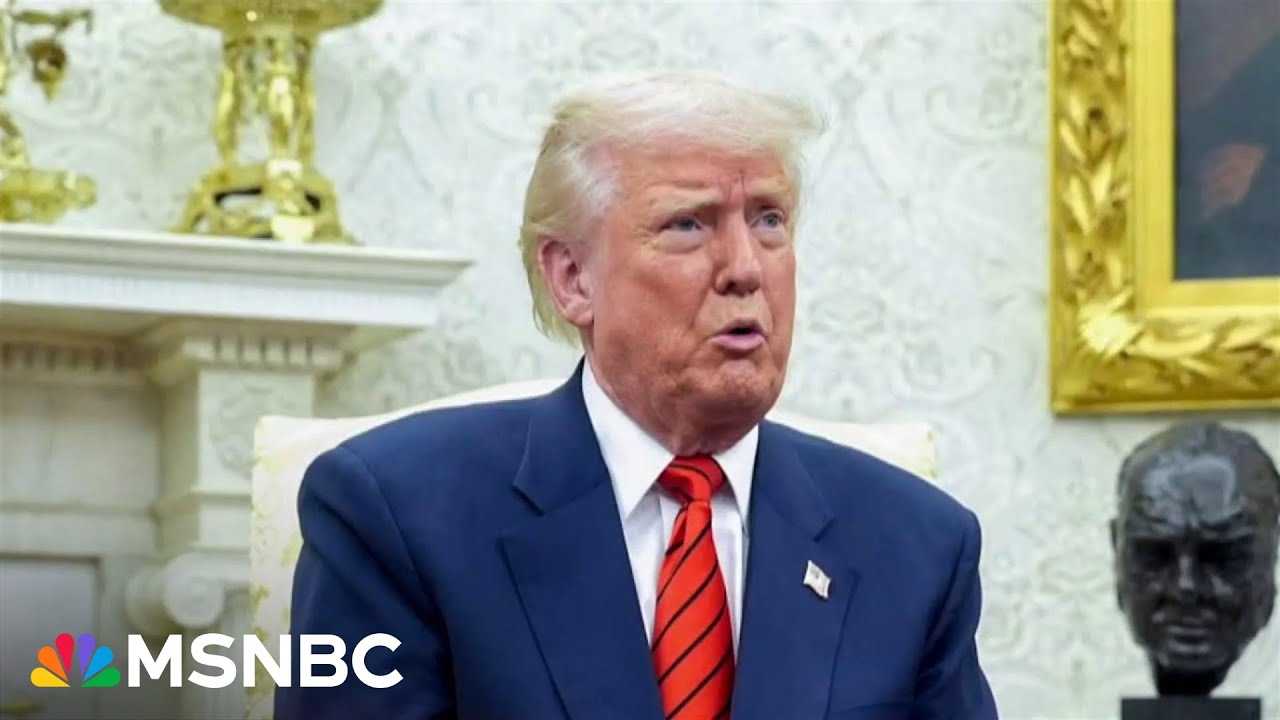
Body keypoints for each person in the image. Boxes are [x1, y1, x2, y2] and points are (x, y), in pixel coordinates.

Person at [276, 70, 998, 720]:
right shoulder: (396, 514)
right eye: (689, 224)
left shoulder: (919, 546)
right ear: (572, 279)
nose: (746, 268)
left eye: (769, 220)